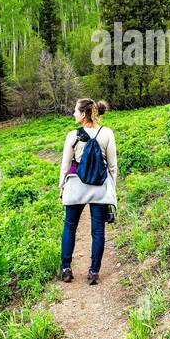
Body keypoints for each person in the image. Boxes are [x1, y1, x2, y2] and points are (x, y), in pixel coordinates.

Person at [58, 98, 118, 284]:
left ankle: (66, 269)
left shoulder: (72, 135)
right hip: (99, 187)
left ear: (83, 114)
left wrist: (61, 187)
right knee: (98, 231)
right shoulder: (107, 133)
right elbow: (113, 167)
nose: (74, 114)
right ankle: (93, 272)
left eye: (76, 111)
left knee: (70, 226)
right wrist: (111, 190)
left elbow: (66, 166)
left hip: (76, 185)